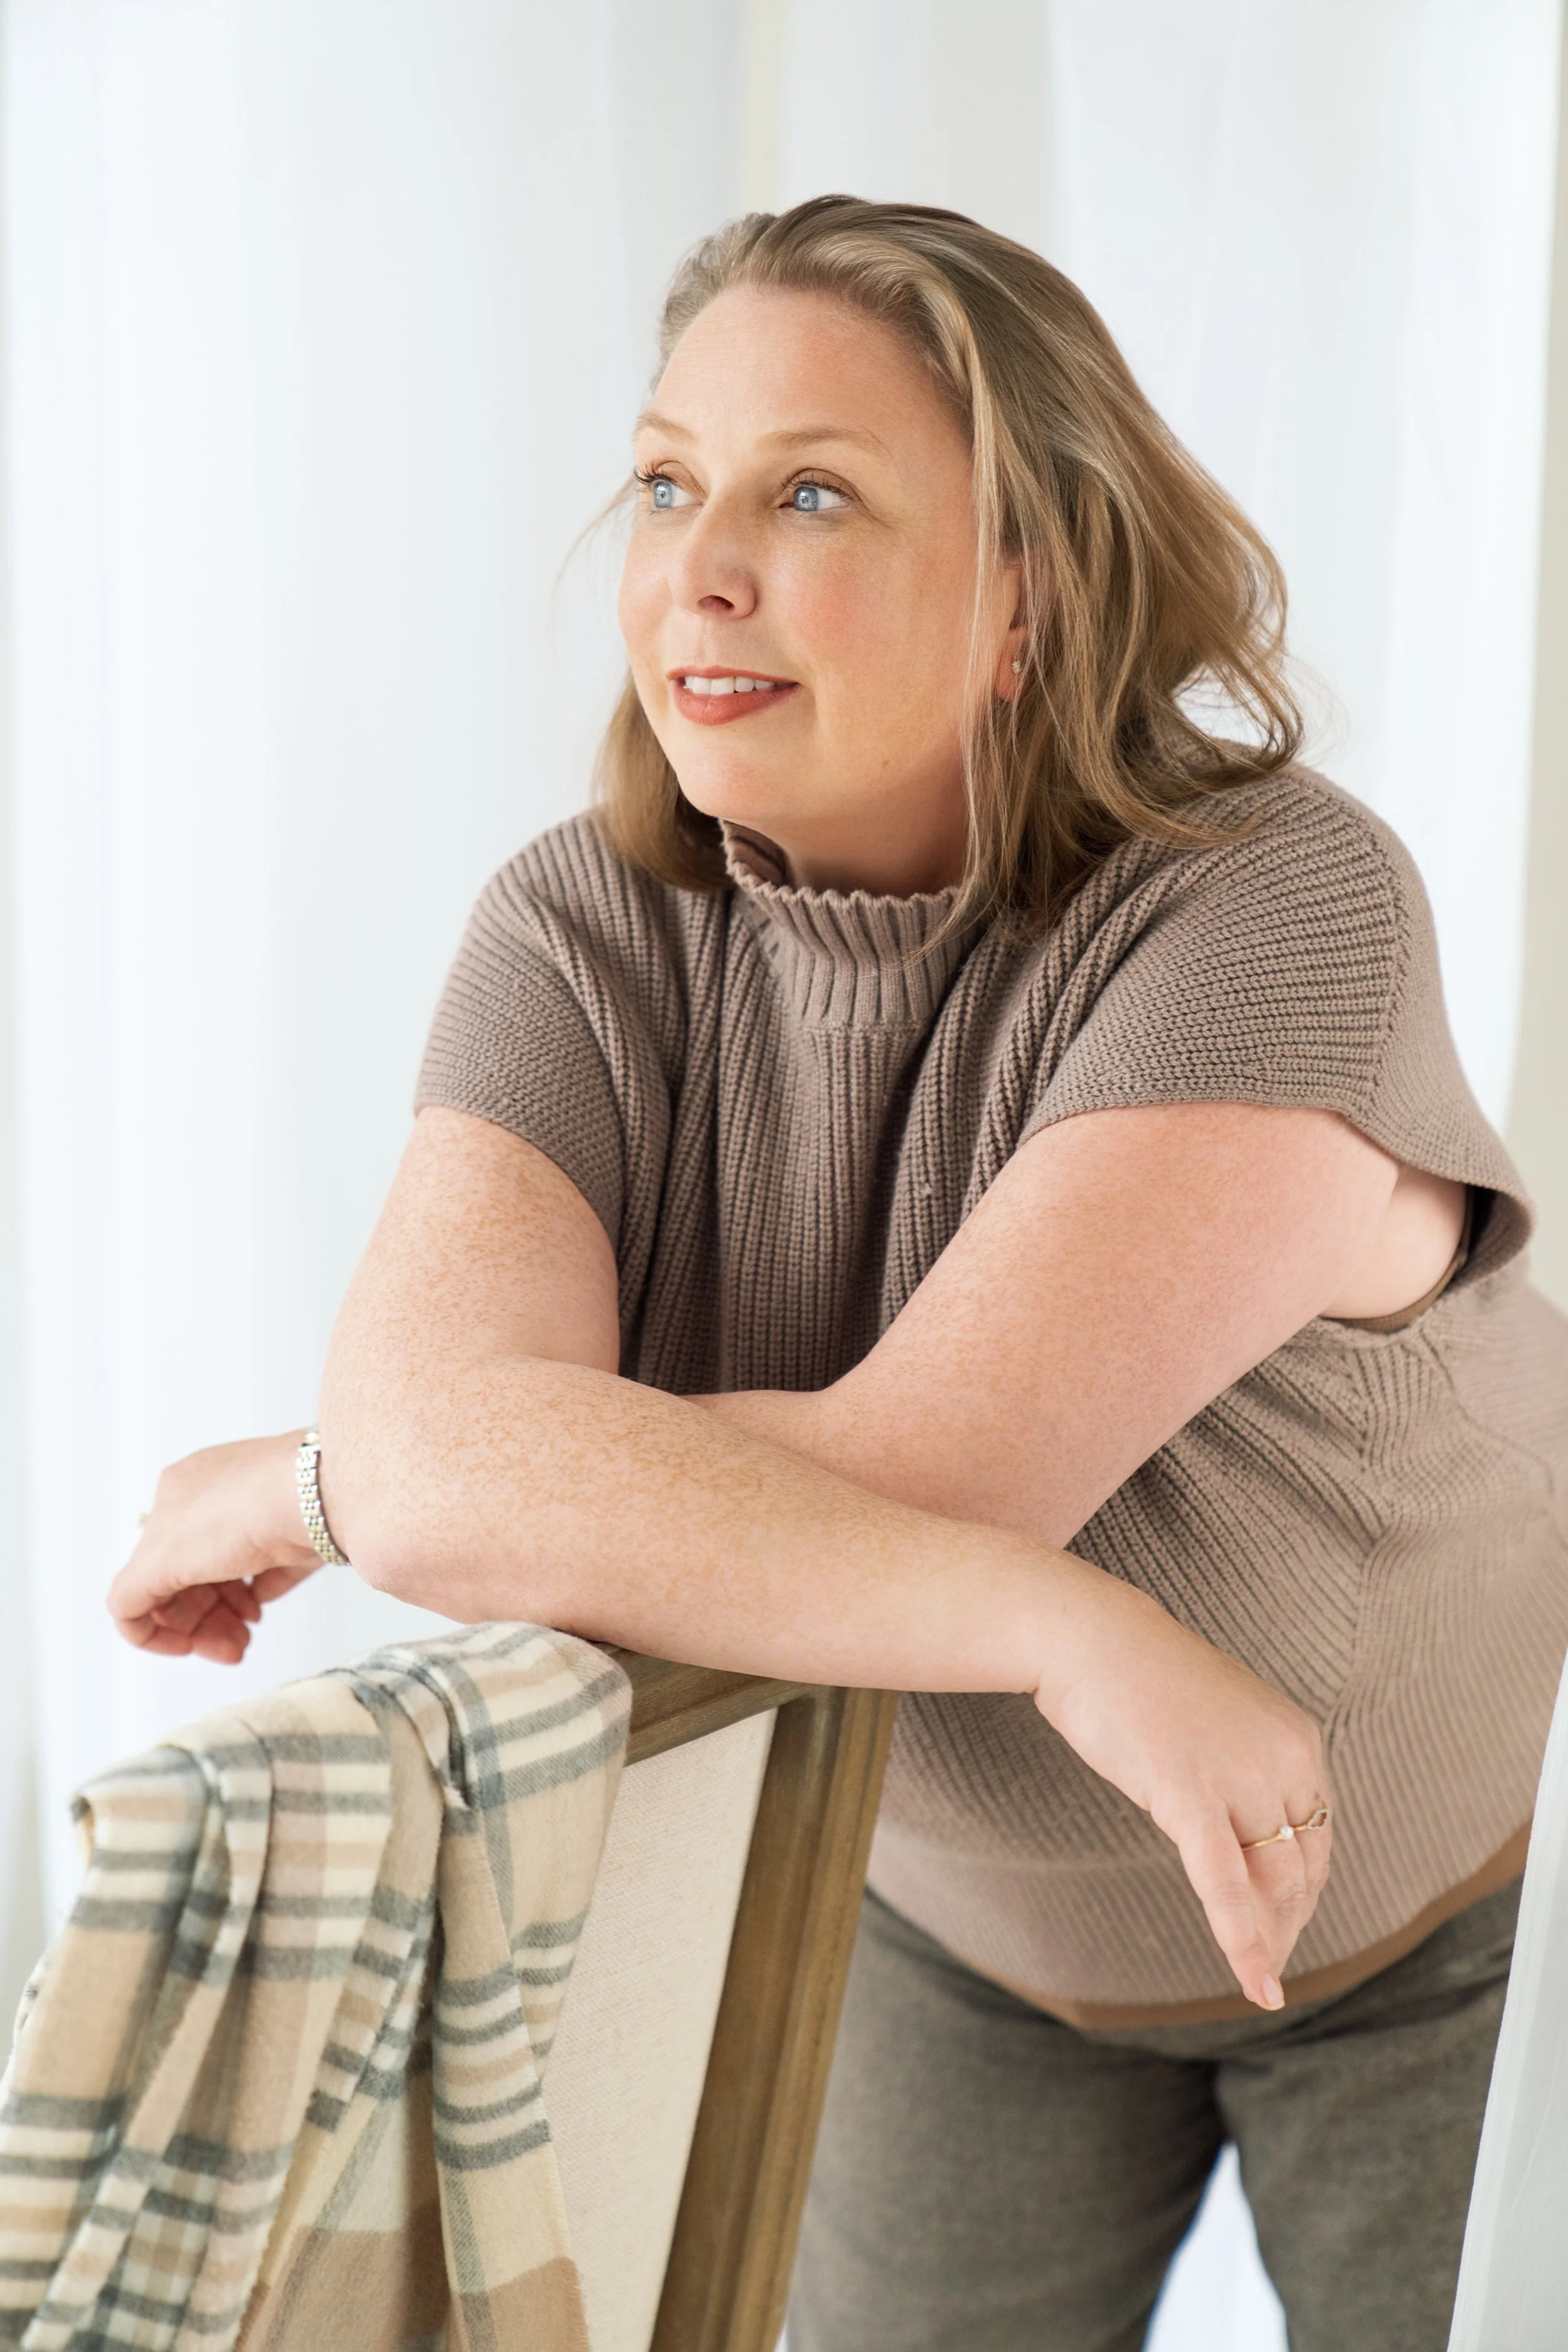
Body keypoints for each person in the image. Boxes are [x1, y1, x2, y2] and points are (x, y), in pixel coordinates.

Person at [109, 198, 1568, 2351]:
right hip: (958, 1933)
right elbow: (503, 1466)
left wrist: (351, 1483)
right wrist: (1064, 1631)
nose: (700, 564)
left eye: (810, 491)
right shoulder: (576, 931)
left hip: (1462, 1915)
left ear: (1024, 597)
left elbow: (921, 1482)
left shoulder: (1282, 910)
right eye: (669, 480)